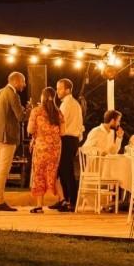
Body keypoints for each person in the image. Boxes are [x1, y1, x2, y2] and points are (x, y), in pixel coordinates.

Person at [0, 71, 26, 212]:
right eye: (23, 81)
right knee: (4, 169)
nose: (24, 85)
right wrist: (30, 110)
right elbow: (20, 117)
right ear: (15, 81)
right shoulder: (13, 94)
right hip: (7, 137)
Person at [27, 87, 63, 214]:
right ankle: (62, 198)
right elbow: (62, 131)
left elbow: (30, 130)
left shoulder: (36, 111)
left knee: (39, 174)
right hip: (55, 148)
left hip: (41, 147)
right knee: (54, 172)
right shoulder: (58, 112)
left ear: (42, 96)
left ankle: (39, 205)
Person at [52, 78, 84, 212]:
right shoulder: (74, 103)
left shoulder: (67, 104)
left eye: (60, 89)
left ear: (68, 90)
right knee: (63, 170)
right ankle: (64, 199)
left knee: (67, 170)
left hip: (67, 139)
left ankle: (71, 201)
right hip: (73, 139)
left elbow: (61, 122)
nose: (57, 91)